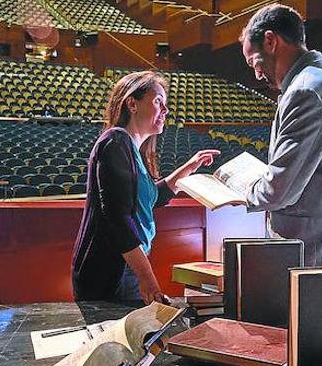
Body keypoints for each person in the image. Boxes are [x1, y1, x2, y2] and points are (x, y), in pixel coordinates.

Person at [239, 3, 322, 267]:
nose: (257, 73)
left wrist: (240, 189)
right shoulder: (319, 79)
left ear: (270, 40)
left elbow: (279, 192)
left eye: (255, 61)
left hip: (320, 253)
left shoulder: (306, 90)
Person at [72, 71, 219, 304]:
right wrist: (148, 278)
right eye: (158, 101)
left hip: (125, 265)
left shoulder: (130, 148)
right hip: (108, 270)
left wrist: (190, 167)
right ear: (132, 103)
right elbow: (118, 219)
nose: (166, 110)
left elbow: (154, 197)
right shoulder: (115, 141)